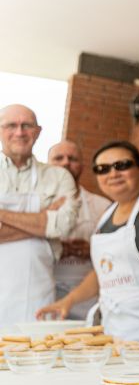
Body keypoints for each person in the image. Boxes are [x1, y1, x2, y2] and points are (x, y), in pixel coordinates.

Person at [37, 141, 139, 346]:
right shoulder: (107, 214)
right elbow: (104, 273)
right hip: (116, 330)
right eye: (103, 169)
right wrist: (68, 301)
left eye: (122, 165)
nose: (113, 174)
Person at [0, 104, 78, 327]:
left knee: (36, 353)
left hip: (37, 293)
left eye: (27, 125)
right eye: (11, 126)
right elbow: (48, 225)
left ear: (38, 131)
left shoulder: (59, 176)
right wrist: (42, 219)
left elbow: (61, 226)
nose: (19, 132)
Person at [48, 140, 112, 320]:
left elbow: (116, 254)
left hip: (89, 297)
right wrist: (53, 248)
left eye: (72, 158)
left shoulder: (103, 206)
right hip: (46, 292)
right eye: (58, 158)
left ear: (82, 166)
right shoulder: (35, 204)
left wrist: (91, 250)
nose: (66, 162)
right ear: (47, 166)